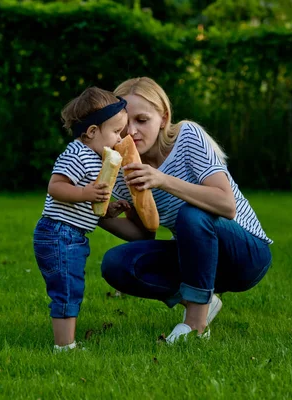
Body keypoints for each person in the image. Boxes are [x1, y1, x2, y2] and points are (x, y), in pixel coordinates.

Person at [98, 77, 273, 343]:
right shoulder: (125, 167)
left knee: (191, 214)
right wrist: (99, 215)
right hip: (196, 261)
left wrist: (162, 180)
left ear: (164, 118)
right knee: (117, 263)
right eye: (123, 124)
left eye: (142, 120)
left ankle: (195, 325)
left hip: (245, 254)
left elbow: (226, 204)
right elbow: (144, 235)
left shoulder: (187, 137)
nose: (130, 132)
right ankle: (204, 299)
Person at [33, 86, 130, 352]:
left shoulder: (96, 158)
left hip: (72, 235)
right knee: (66, 287)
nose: (120, 139)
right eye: (116, 132)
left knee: (71, 284)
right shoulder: (77, 154)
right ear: (92, 132)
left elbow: (90, 200)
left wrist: (108, 208)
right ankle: (64, 346)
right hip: (58, 233)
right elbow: (56, 187)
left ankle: (66, 341)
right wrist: (87, 192)